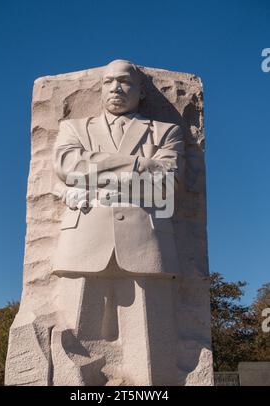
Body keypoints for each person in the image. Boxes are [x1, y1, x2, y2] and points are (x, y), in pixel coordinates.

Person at [51, 59, 185, 385]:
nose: (115, 88)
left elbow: (166, 180)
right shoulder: (75, 129)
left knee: (150, 345)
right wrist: (139, 165)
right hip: (84, 237)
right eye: (108, 81)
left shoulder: (166, 131)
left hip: (145, 242)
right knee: (73, 336)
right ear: (100, 89)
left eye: (125, 82)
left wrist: (93, 172)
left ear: (140, 91)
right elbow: (68, 165)